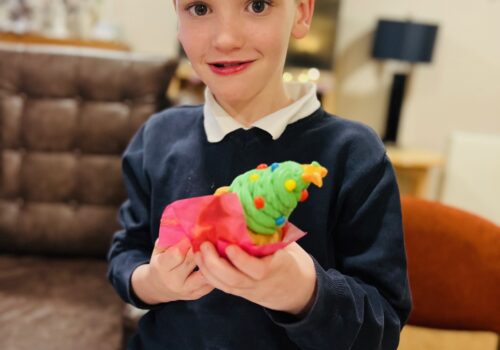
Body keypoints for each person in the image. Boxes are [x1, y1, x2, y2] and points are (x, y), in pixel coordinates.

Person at [107, 0, 412, 349]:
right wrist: (154, 282)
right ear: (176, 17)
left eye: (256, 5)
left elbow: (383, 326)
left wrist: (303, 291)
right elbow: (126, 254)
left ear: (301, 13)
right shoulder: (157, 138)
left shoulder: (354, 155)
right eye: (200, 8)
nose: (225, 39)